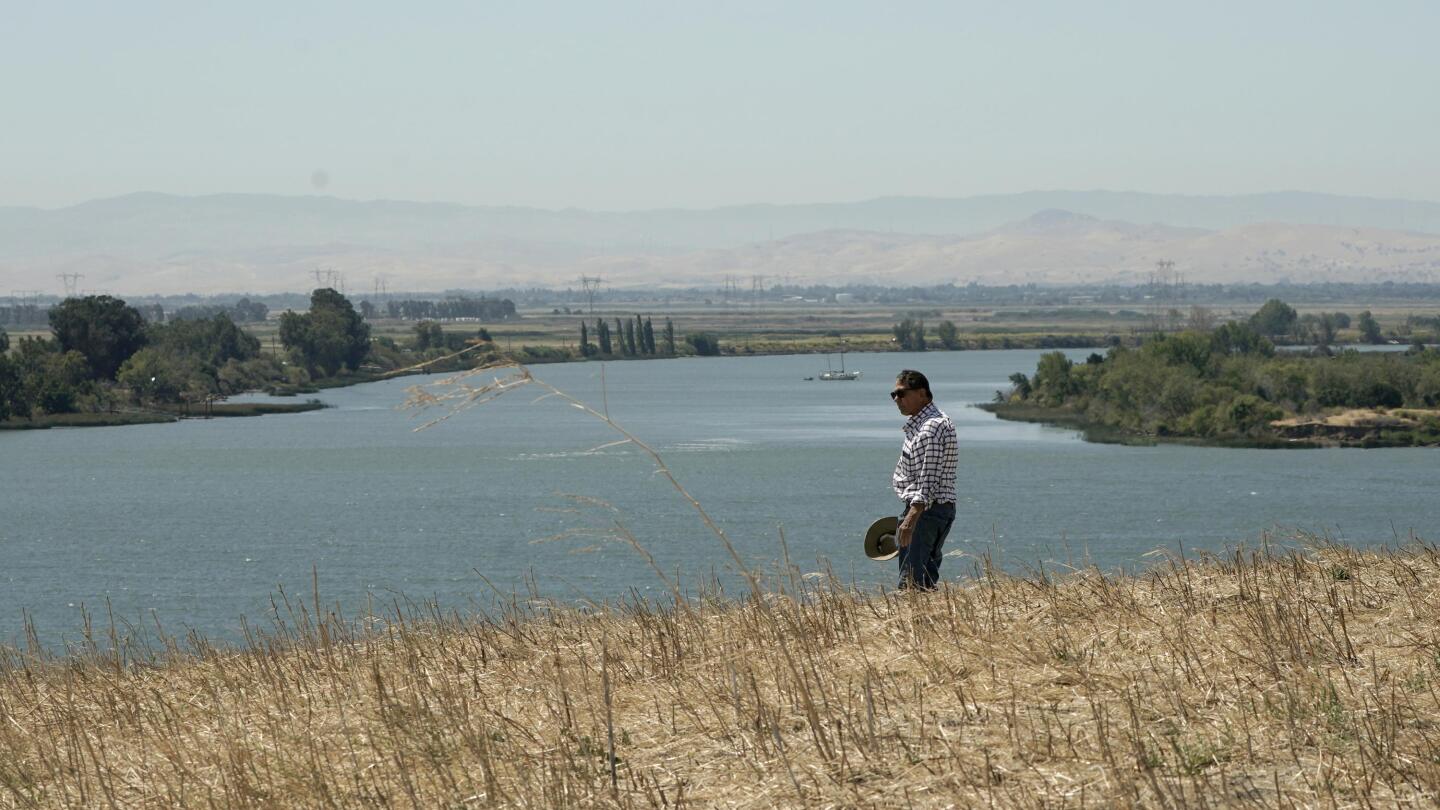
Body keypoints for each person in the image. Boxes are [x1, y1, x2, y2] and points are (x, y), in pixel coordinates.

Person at [889, 369, 957, 589]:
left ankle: (913, 622)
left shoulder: (931, 426)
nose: (897, 399)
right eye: (894, 395)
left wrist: (911, 517)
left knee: (911, 583)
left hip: (926, 511)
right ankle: (930, 622)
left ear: (922, 393)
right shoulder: (925, 424)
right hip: (929, 510)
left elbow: (929, 476)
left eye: (901, 393)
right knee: (924, 580)